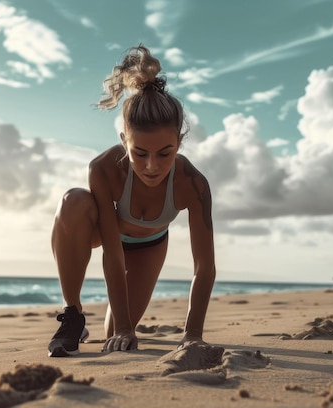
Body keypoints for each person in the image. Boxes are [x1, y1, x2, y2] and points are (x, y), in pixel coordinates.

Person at [48, 45, 215, 357]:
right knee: (73, 202)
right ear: (124, 141)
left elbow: (204, 265)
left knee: (114, 335)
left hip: (149, 245)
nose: (152, 165)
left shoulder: (193, 183)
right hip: (107, 235)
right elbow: (112, 252)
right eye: (140, 153)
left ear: (178, 142)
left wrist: (192, 334)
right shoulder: (103, 170)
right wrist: (127, 328)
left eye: (165, 153)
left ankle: (112, 324)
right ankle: (72, 315)